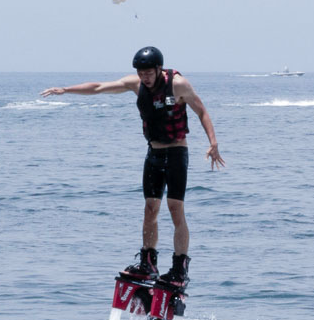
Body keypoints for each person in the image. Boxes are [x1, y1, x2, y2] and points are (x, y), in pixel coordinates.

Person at [40, 46, 224, 288]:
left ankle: (179, 268)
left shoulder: (178, 85)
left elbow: (201, 111)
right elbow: (98, 87)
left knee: (175, 209)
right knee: (150, 209)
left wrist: (213, 143)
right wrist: (66, 90)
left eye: (148, 73)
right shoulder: (136, 84)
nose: (144, 77)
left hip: (177, 153)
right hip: (154, 153)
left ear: (159, 69)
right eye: (141, 73)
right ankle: (148, 263)